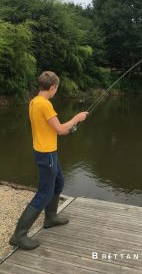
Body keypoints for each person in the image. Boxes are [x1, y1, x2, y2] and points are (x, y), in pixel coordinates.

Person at [9, 71, 88, 250]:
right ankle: (18, 235)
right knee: (44, 192)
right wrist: (77, 118)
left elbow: (53, 129)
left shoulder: (34, 102)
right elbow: (60, 129)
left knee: (59, 183)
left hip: (46, 152)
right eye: (56, 89)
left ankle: (50, 218)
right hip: (47, 155)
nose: (56, 91)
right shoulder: (45, 105)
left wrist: (70, 128)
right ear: (52, 87)